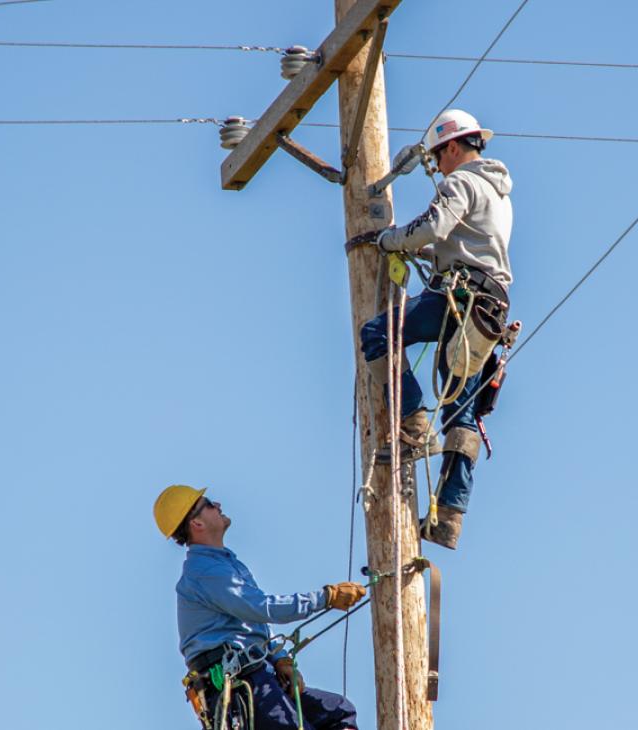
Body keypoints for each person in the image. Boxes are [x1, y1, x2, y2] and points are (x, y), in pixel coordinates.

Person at [352, 108, 514, 550]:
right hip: (489, 309)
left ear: (454, 148)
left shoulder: (460, 182)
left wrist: (388, 240)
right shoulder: (499, 193)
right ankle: (449, 516)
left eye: (439, 157)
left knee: (377, 334)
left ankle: (414, 424)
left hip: (458, 299)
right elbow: (465, 244)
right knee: (461, 413)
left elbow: (433, 227)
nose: (437, 167)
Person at [154, 484, 366, 730]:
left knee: (338, 712)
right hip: (240, 683)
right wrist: (326, 597)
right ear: (197, 524)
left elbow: (254, 621)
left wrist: (279, 658)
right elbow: (262, 608)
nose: (219, 505)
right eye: (210, 504)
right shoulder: (205, 572)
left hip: (258, 673)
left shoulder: (228, 564)